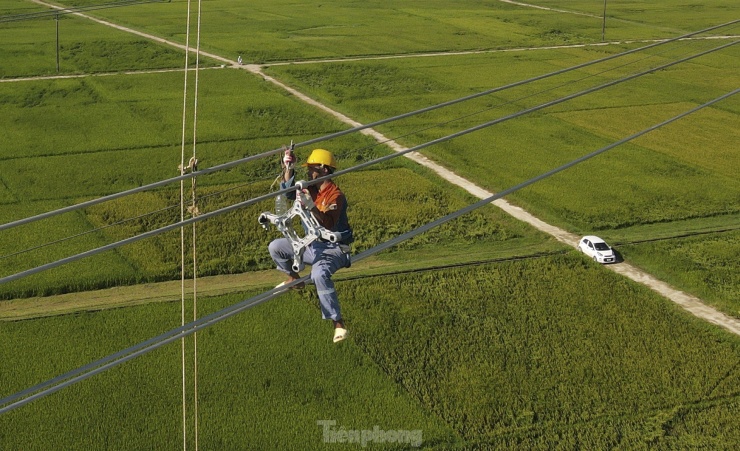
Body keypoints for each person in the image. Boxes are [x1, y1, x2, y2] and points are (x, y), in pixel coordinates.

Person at [268, 148, 353, 343]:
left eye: (311, 168)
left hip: (334, 249)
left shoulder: (335, 196)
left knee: (318, 274)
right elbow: (288, 192)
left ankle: (338, 323)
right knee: (276, 247)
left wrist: (312, 207)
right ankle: (294, 278)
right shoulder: (310, 189)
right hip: (311, 245)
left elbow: (328, 223)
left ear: (323, 169)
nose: (308, 172)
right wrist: (288, 166)